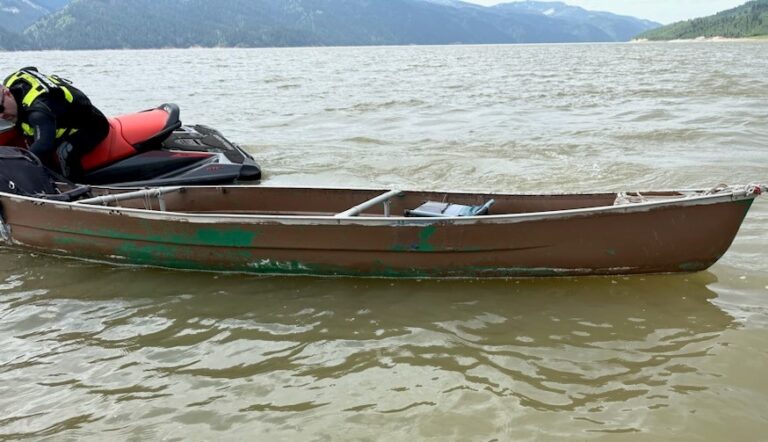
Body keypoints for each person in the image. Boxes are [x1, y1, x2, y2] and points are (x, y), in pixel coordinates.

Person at [0, 67, 109, 180]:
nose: (1, 117)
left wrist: (13, 173)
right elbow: (30, 69)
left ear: (7, 93)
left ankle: (79, 192)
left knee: (64, 153)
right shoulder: (11, 81)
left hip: (91, 126)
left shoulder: (38, 111)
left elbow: (43, 145)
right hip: (55, 118)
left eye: (0, 109)